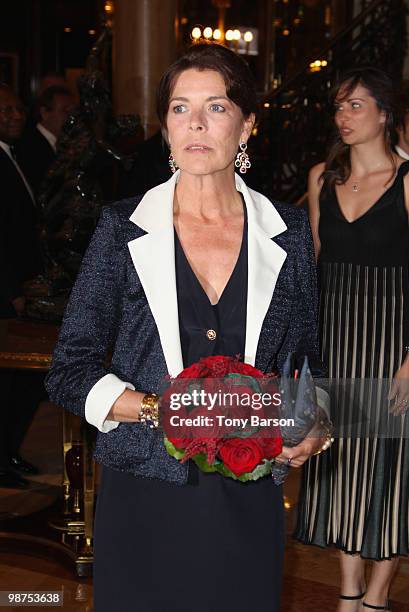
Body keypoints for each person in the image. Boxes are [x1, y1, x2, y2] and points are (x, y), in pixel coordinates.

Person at [45, 43, 327, 612]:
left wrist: (312, 421)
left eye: (216, 107)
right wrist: (157, 409)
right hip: (145, 490)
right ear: (166, 127)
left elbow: (303, 365)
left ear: (247, 125)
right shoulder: (122, 230)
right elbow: (68, 370)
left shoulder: (289, 233)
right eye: (180, 108)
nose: (196, 123)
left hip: (248, 493)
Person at [295, 67, 409, 611]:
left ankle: (377, 597)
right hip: (335, 342)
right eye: (339, 107)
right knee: (338, 462)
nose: (343, 116)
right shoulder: (322, 179)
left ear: (384, 114)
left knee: (387, 467)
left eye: (356, 106)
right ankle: (347, 593)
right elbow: (315, 267)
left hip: (392, 345)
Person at [0, 83, 44, 488]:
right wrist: (10, 288)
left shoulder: (15, 156)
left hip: (24, 287)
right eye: (6, 110)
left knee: (21, 383)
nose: (16, 115)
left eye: (18, 109)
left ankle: (8, 452)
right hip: (5, 293)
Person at [16, 85, 74, 196]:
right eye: (65, 110)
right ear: (45, 113)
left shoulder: (64, 144)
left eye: (73, 112)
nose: (71, 117)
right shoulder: (30, 146)